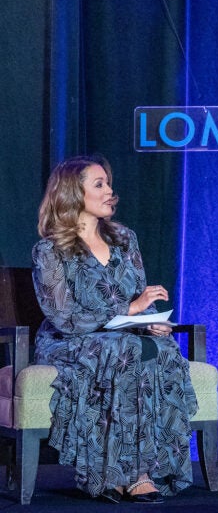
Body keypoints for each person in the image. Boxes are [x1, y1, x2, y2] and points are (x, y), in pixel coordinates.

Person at [31, 155, 197, 503]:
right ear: (73, 194)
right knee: (122, 350)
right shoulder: (50, 251)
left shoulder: (124, 239)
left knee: (163, 351)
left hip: (123, 336)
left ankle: (147, 467)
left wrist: (150, 320)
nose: (110, 191)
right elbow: (64, 317)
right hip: (68, 341)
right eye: (99, 184)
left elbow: (139, 296)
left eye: (108, 183)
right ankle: (126, 474)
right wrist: (128, 309)